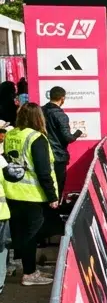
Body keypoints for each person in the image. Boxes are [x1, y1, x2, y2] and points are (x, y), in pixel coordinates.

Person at [3, 103, 58, 286]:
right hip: (32, 194)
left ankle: (21, 264)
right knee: (31, 236)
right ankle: (29, 273)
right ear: (38, 118)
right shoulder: (37, 138)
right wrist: (52, 196)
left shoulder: (11, 134)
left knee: (19, 233)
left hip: (12, 191)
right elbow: (44, 171)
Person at [41, 86, 83, 197]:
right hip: (58, 156)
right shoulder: (60, 115)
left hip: (42, 153)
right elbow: (68, 138)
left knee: (44, 185)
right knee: (58, 186)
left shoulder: (40, 111)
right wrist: (78, 132)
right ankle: (55, 209)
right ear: (62, 98)